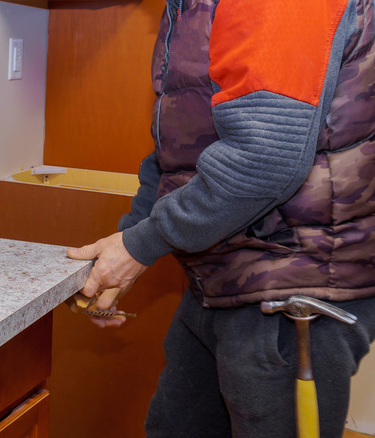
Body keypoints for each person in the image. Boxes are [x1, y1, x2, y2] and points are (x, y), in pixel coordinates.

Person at [66, 0, 375, 436]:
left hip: (291, 289)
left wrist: (139, 246)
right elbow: (182, 147)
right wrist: (129, 245)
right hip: (225, 271)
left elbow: (263, 158)